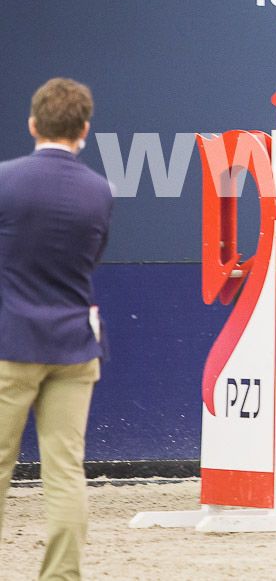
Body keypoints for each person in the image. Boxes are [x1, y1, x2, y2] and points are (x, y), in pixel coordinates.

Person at [0, 78, 112, 581]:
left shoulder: (6, 181)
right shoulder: (98, 191)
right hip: (73, 347)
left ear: (32, 125)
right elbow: (92, 257)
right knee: (65, 471)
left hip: (11, 343)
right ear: (84, 130)